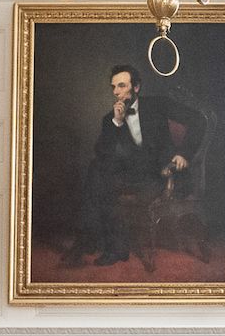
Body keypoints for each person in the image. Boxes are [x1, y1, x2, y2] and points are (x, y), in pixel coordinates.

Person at [65, 63, 206, 267]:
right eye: (114, 87)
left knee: (100, 178)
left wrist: (184, 153)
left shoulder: (158, 104)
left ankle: (89, 241)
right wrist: (117, 123)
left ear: (136, 87)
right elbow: (102, 154)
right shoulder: (110, 119)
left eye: (121, 85)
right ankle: (110, 247)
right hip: (133, 174)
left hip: (163, 173)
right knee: (97, 169)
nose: (116, 92)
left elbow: (199, 120)